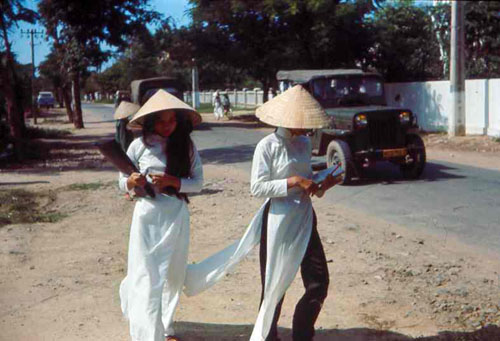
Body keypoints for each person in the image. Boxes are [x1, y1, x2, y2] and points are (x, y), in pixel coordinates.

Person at [184, 85, 342, 341]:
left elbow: (308, 180)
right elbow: (257, 187)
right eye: (303, 123)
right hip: (277, 220)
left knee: (318, 282)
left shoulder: (303, 143)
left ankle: (303, 335)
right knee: (274, 285)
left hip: (304, 219)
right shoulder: (267, 146)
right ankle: (268, 336)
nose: (307, 129)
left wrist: (321, 183)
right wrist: (292, 182)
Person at [118, 89, 203, 341]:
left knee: (173, 274)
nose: (168, 126)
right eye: (162, 121)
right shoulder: (138, 146)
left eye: (172, 120)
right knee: (147, 274)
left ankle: (165, 327)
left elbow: (198, 182)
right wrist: (131, 181)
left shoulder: (186, 146)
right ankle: (146, 332)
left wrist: (174, 181)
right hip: (147, 216)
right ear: (150, 121)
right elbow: (121, 181)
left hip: (176, 215)